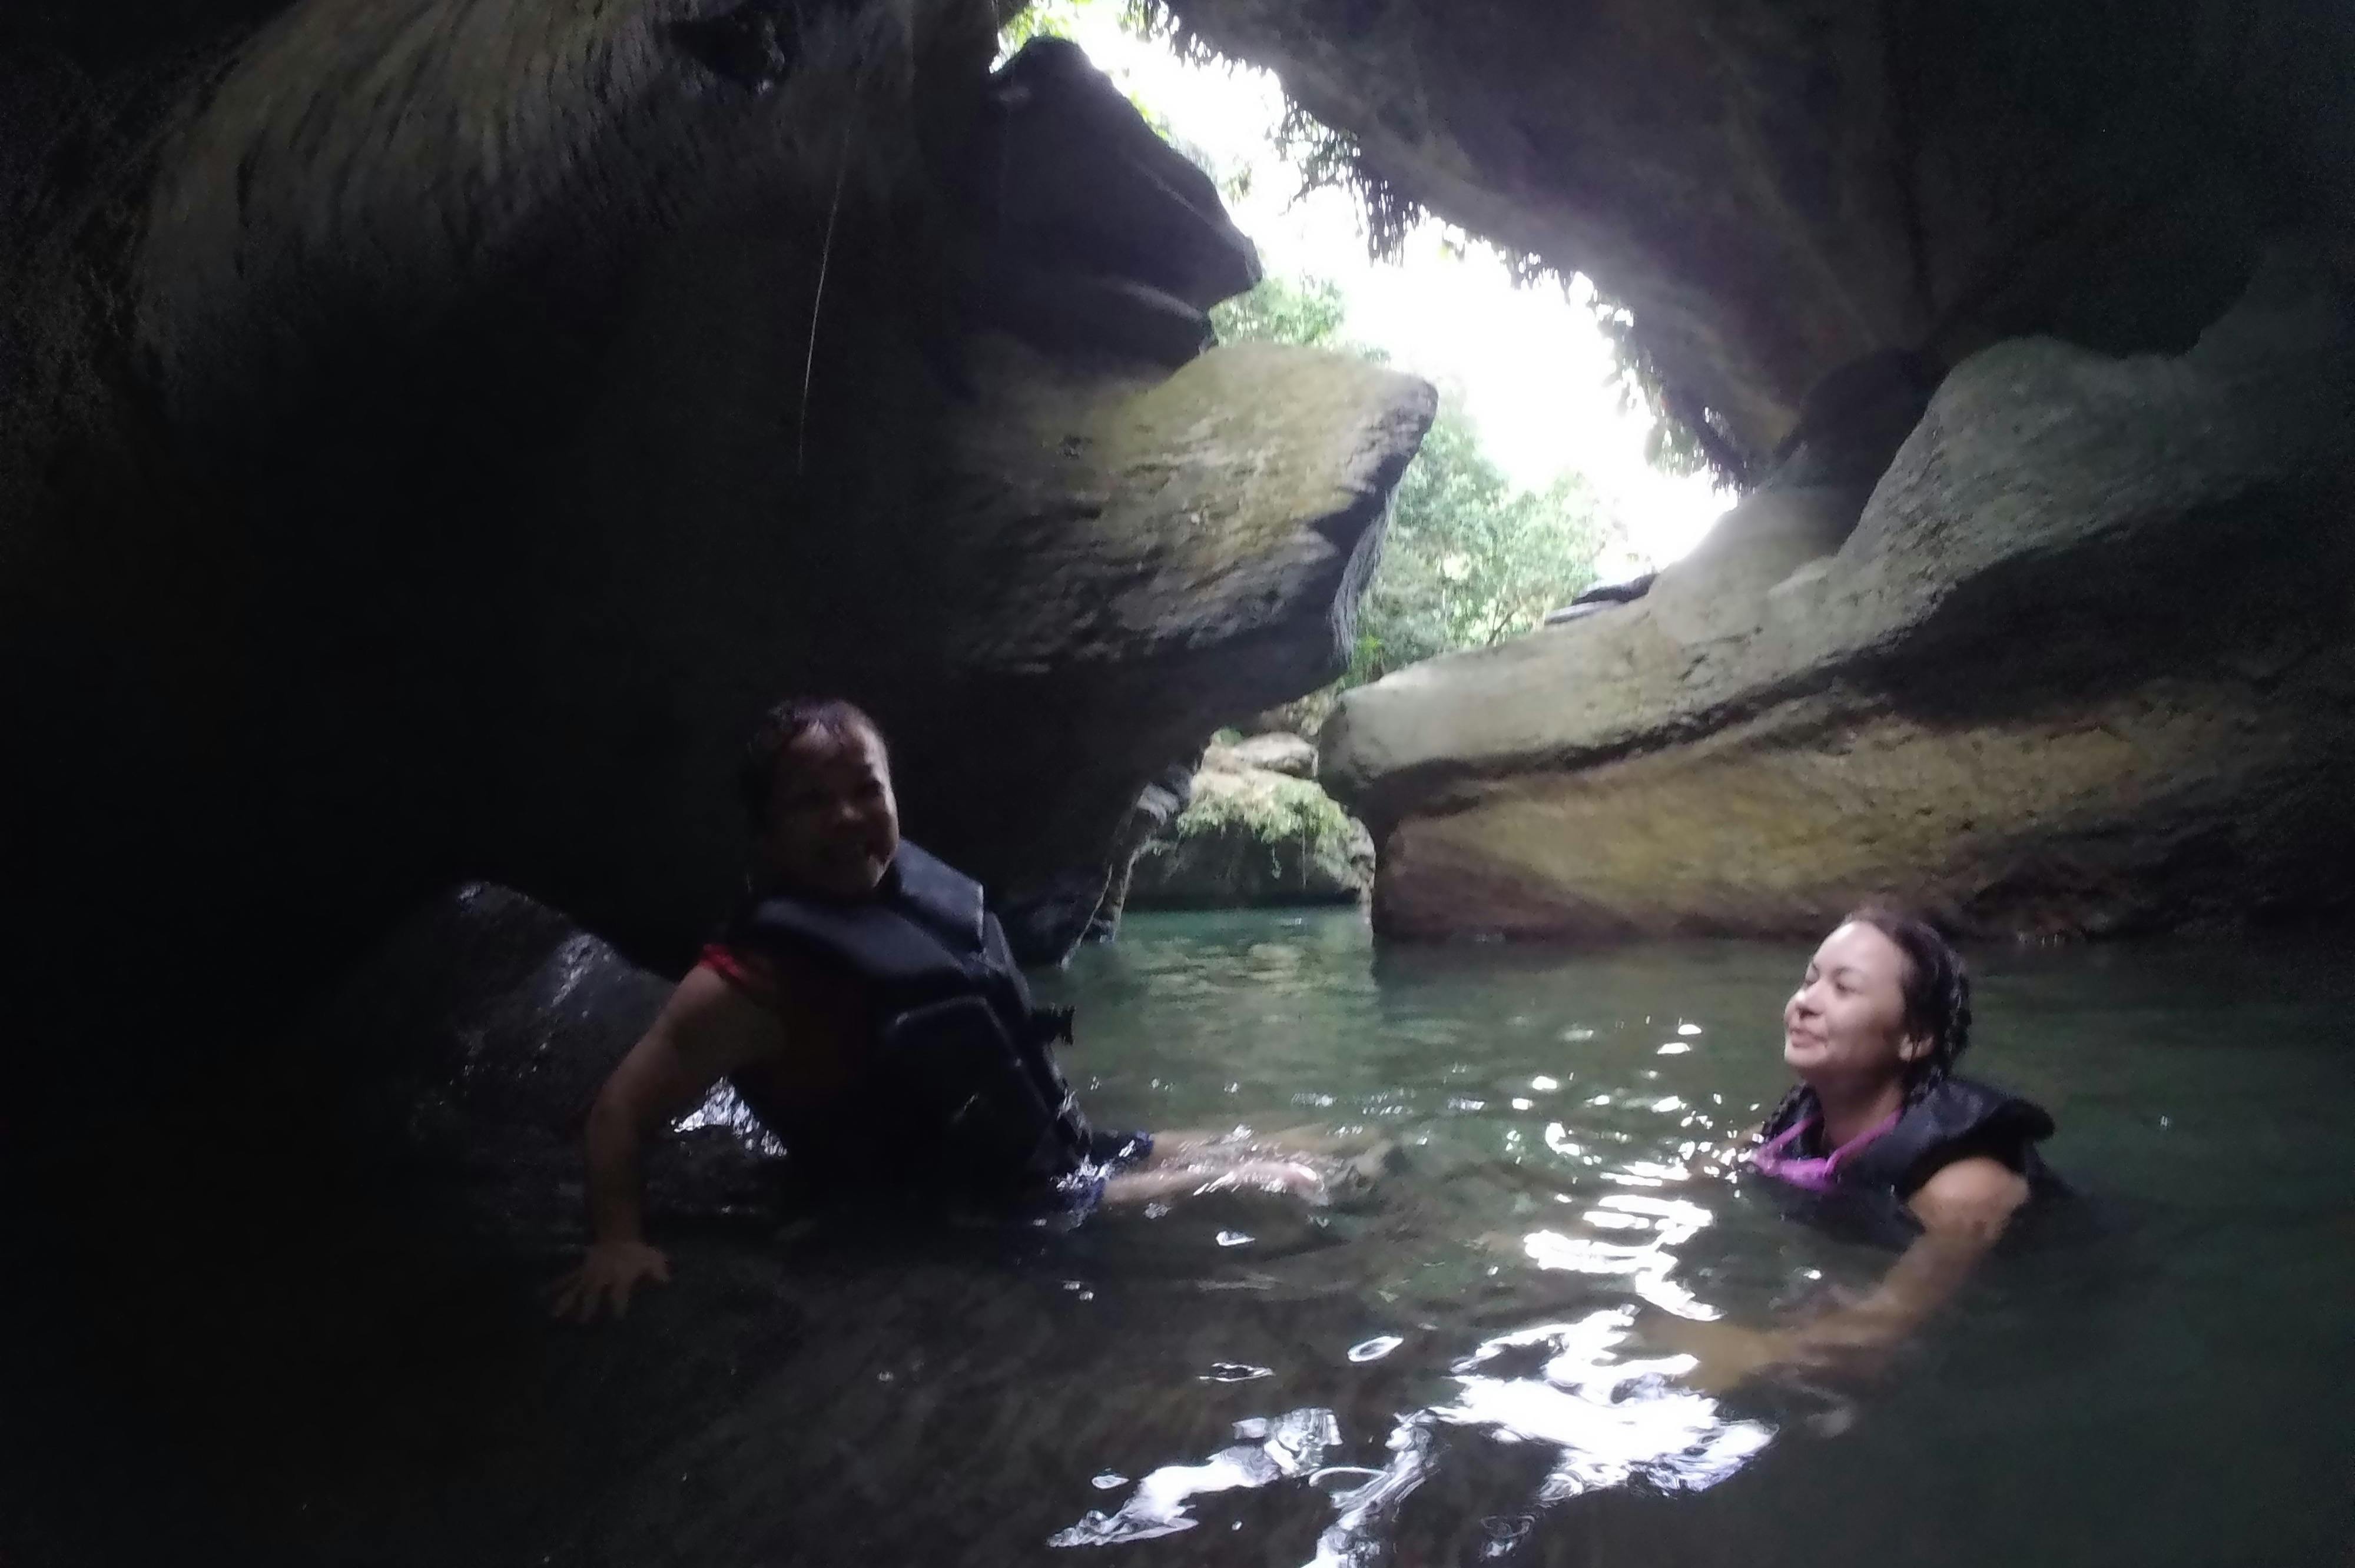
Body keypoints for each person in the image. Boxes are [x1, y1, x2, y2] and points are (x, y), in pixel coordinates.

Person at [551, 696, 1340, 1323]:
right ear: (767, 834)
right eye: (811, 802)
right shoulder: (749, 981)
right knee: (1281, 1183)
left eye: (867, 790)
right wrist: (618, 1241)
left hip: (1043, 1155)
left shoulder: (913, 903)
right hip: (957, 1203)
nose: (848, 817)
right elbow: (618, 1113)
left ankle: (1340, 1164)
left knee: (1333, 1149)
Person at [1661, 905, 2064, 1390]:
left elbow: (1879, 1333)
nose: (1806, 1002)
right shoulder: (1793, 1124)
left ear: (1914, 1039)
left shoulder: (1963, 1184)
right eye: (1809, 981)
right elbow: (1680, 1184)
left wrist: (1750, 1351)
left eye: (1844, 988)